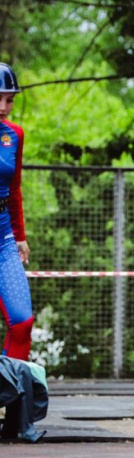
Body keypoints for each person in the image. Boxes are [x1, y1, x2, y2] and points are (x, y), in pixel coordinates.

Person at [0, 63, 33, 361]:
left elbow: (14, 189)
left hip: (4, 240)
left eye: (9, 99)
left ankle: (7, 395)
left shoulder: (14, 135)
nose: (3, 106)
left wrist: (20, 236)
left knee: (22, 322)